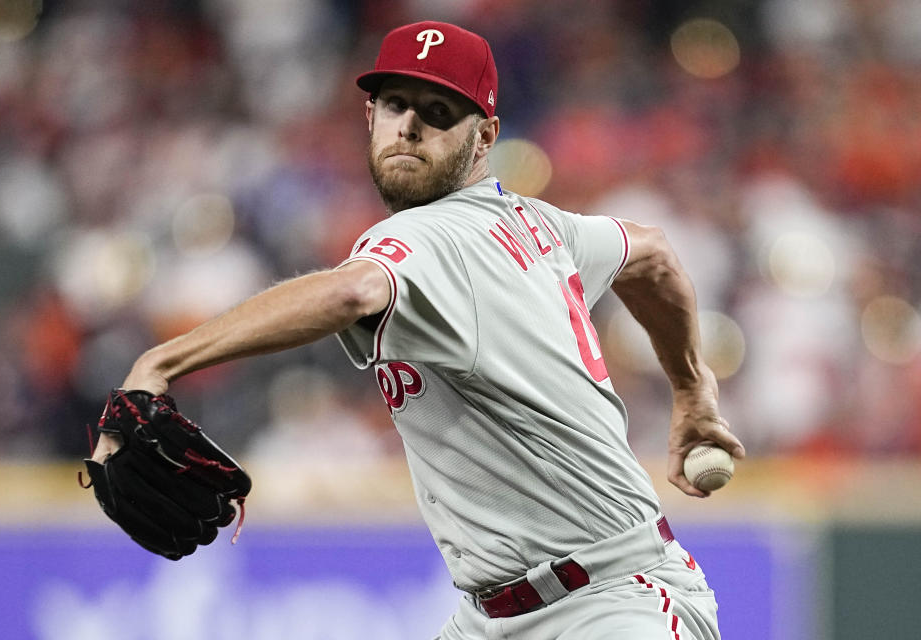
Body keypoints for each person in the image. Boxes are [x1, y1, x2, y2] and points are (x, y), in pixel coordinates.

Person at [92, 20, 745, 640]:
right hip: (500, 614)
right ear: (369, 115)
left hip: (611, 606)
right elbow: (652, 253)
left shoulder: (427, 233)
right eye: (395, 103)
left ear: (484, 137)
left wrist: (161, 362)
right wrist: (692, 390)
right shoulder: (546, 226)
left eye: (438, 113)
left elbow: (352, 288)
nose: (409, 126)